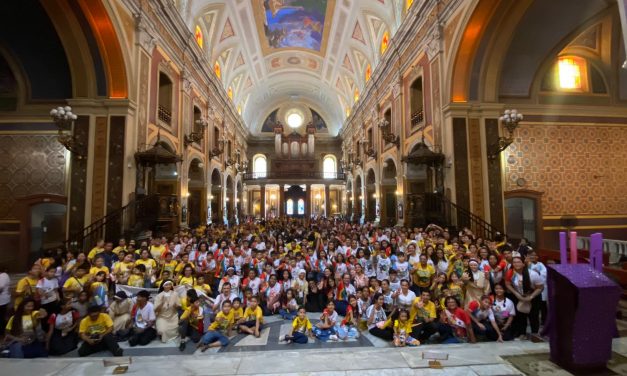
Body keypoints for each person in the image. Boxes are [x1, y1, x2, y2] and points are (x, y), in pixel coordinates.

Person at [505, 256, 544, 338]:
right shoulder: (510, 273)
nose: (516, 264)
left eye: (518, 262)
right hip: (520, 296)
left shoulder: (532, 274)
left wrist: (531, 297)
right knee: (521, 316)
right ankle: (522, 333)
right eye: (514, 262)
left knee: (533, 316)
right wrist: (516, 294)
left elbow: (540, 287)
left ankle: (534, 334)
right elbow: (507, 284)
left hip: (533, 296)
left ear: (523, 264)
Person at [0, 267, 10, 336]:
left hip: (2, 301)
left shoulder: (3, 276)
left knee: (1, 317)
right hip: (2, 300)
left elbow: (0, 288)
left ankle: (2, 333)